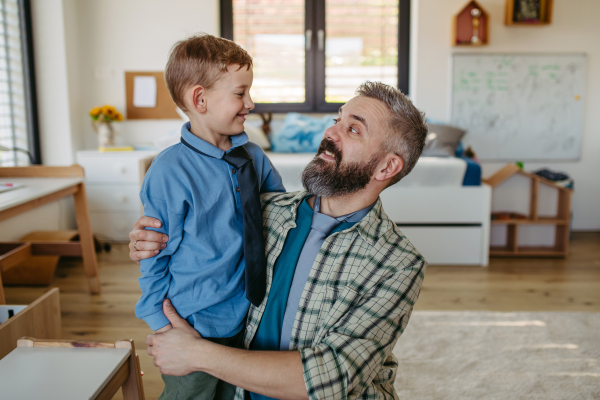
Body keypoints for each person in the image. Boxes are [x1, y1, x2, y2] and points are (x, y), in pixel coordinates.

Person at [130, 81, 428, 400]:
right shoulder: (262, 211)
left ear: (386, 166)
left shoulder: (398, 263)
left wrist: (195, 354)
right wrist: (152, 239)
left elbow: (331, 377)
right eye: (336, 120)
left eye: (353, 130)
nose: (330, 134)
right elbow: (190, 246)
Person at [135, 33, 284, 400]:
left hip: (248, 312)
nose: (250, 102)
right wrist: (163, 324)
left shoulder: (254, 157)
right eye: (240, 93)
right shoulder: (170, 171)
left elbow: (282, 210)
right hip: (193, 321)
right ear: (199, 99)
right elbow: (154, 254)